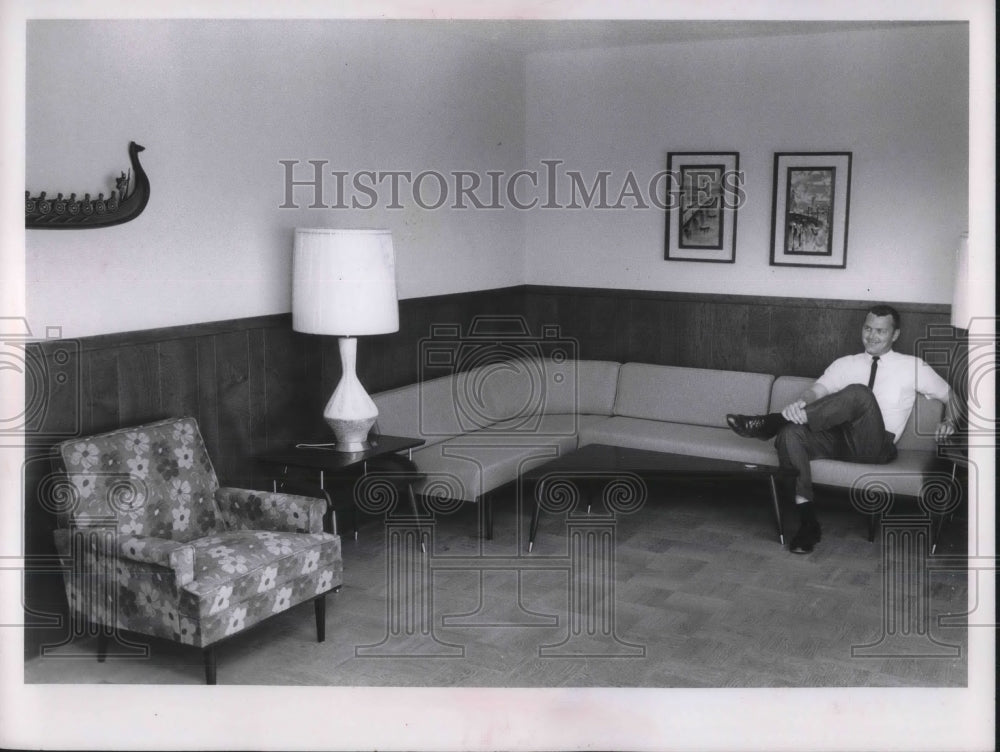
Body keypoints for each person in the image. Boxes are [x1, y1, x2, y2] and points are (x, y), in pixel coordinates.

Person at [726, 304, 957, 554]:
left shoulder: (913, 366)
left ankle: (771, 422)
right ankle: (808, 524)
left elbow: (952, 396)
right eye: (868, 328)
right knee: (789, 434)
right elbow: (816, 391)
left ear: (895, 335)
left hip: (875, 445)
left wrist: (949, 422)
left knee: (859, 393)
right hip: (837, 438)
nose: (872, 336)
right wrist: (801, 403)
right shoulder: (845, 363)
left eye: (880, 331)